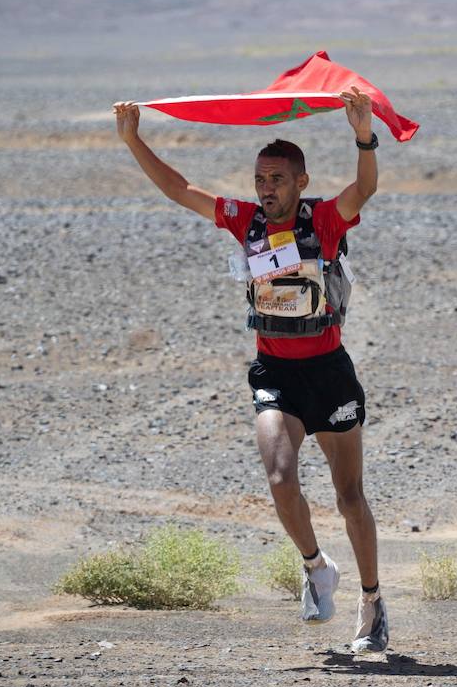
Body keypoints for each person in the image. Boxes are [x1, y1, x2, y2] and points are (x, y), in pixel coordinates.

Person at [112, 89, 388, 654]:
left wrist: (363, 135)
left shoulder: (327, 221)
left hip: (329, 373)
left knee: (349, 497)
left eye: (278, 179)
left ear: (300, 182)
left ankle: (373, 602)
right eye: (261, 179)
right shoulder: (244, 222)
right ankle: (316, 568)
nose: (266, 189)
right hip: (275, 374)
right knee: (282, 480)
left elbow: (365, 188)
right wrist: (134, 139)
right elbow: (178, 189)